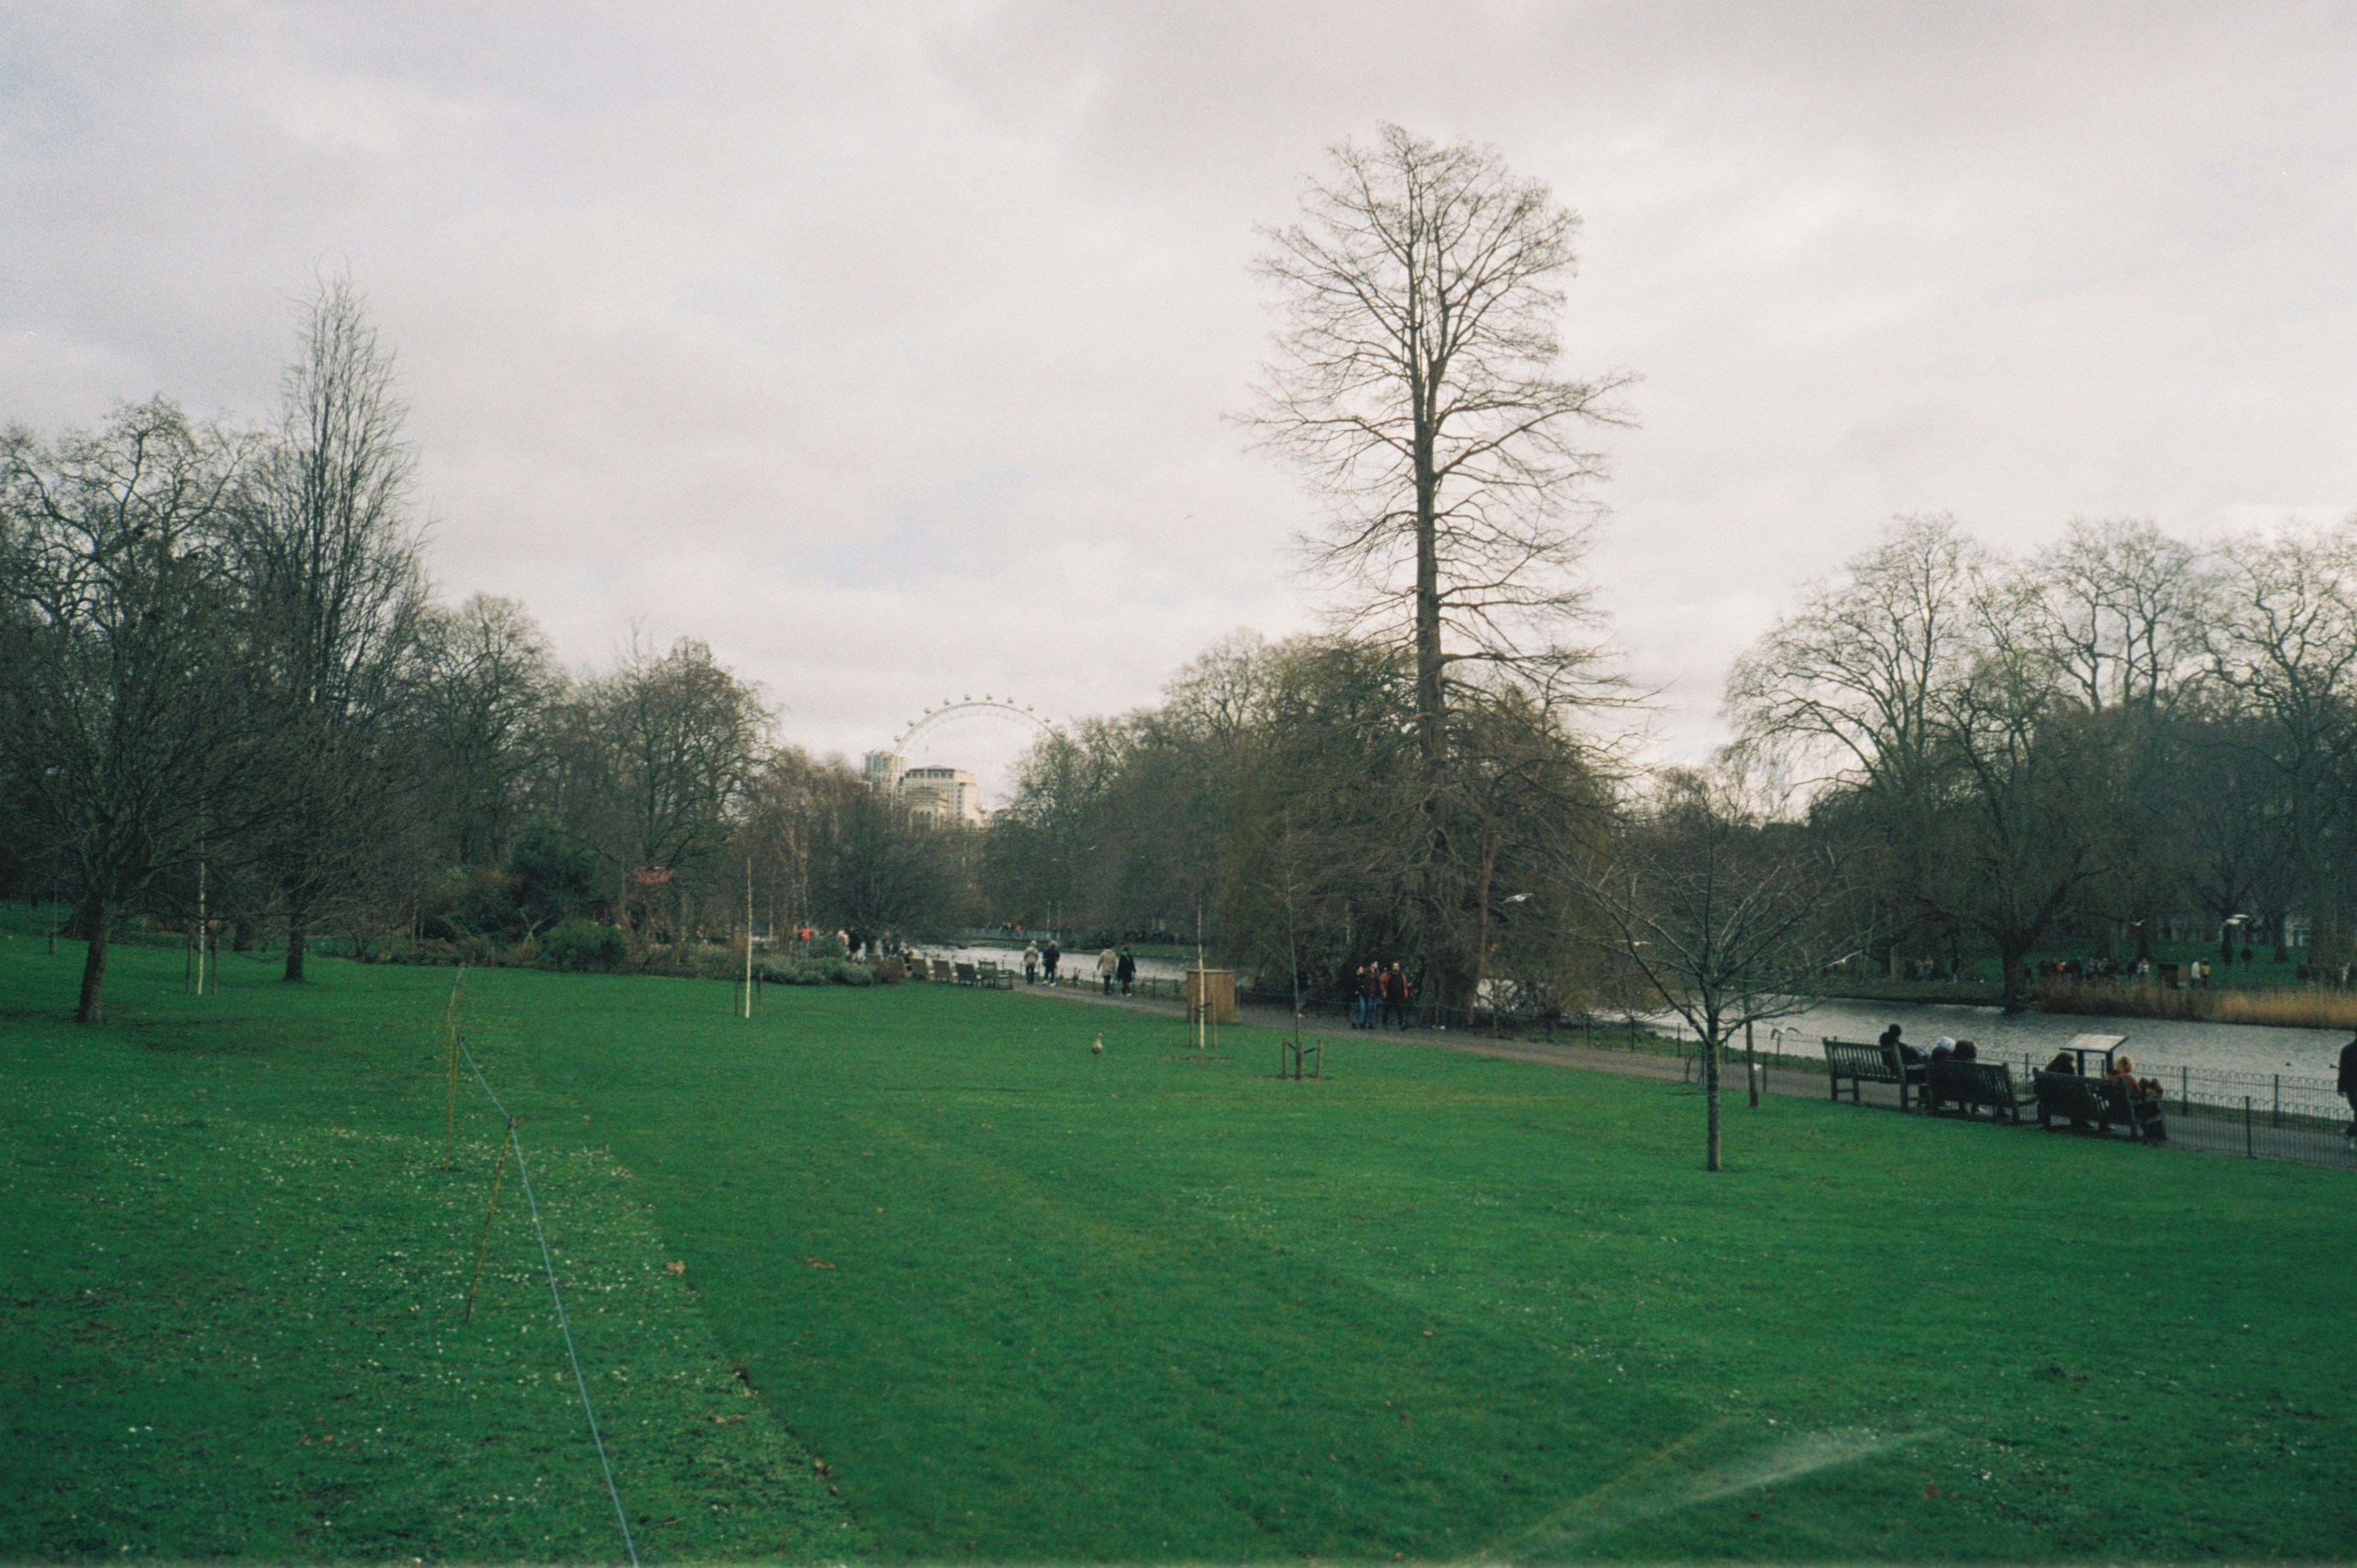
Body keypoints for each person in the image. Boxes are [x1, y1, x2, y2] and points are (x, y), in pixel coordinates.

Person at [2338, 1031, 2357, 1145]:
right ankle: (2350, 1133)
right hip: (2353, 1087)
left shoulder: (2347, 1050)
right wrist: (2341, 1088)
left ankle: (2350, 1133)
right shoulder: (2349, 1050)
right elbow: (2343, 1070)